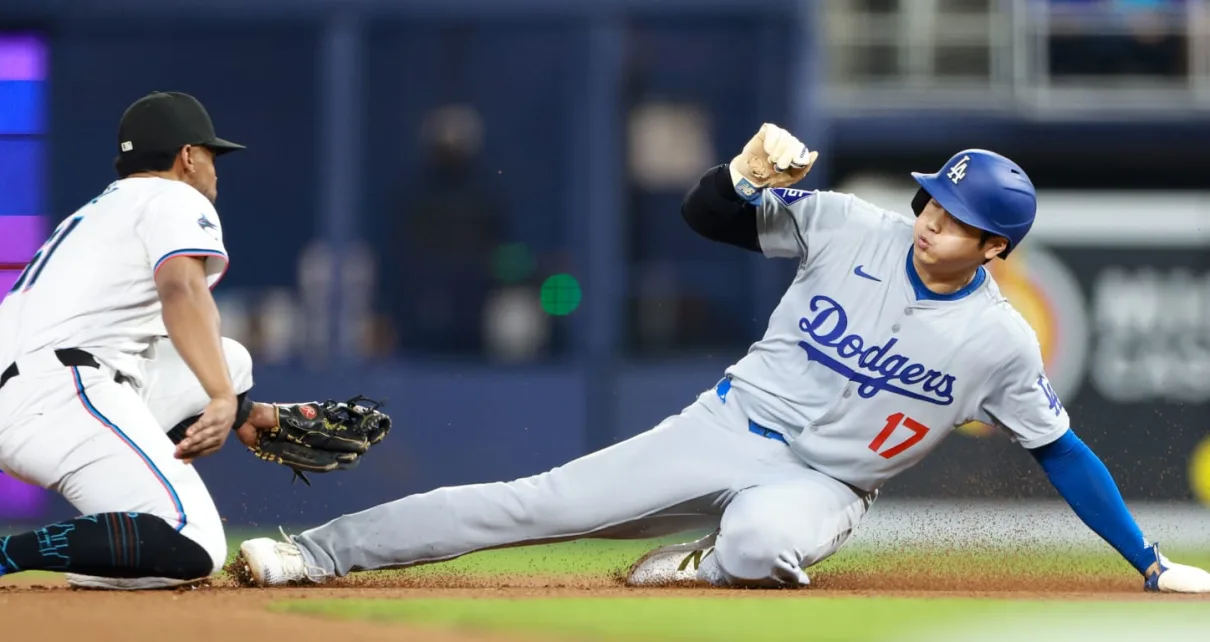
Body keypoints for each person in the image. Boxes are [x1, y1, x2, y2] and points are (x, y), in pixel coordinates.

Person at [233, 123, 1210, 593]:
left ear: (997, 249)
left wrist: (1150, 560)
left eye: (959, 224)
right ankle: (312, 555)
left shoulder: (998, 336)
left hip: (828, 486)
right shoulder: (845, 225)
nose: (933, 224)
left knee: (755, 549)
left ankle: (704, 564)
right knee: (530, 505)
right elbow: (709, 217)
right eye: (932, 203)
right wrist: (740, 177)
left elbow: (1062, 452)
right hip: (723, 428)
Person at [0, 91, 388, 591]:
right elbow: (180, 290)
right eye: (210, 155)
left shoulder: (100, 212)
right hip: (61, 392)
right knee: (195, 544)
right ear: (187, 156)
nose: (213, 170)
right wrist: (224, 398)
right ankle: (12, 552)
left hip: (42, 388)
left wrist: (243, 410)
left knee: (230, 360)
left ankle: (126, 538)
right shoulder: (173, 196)